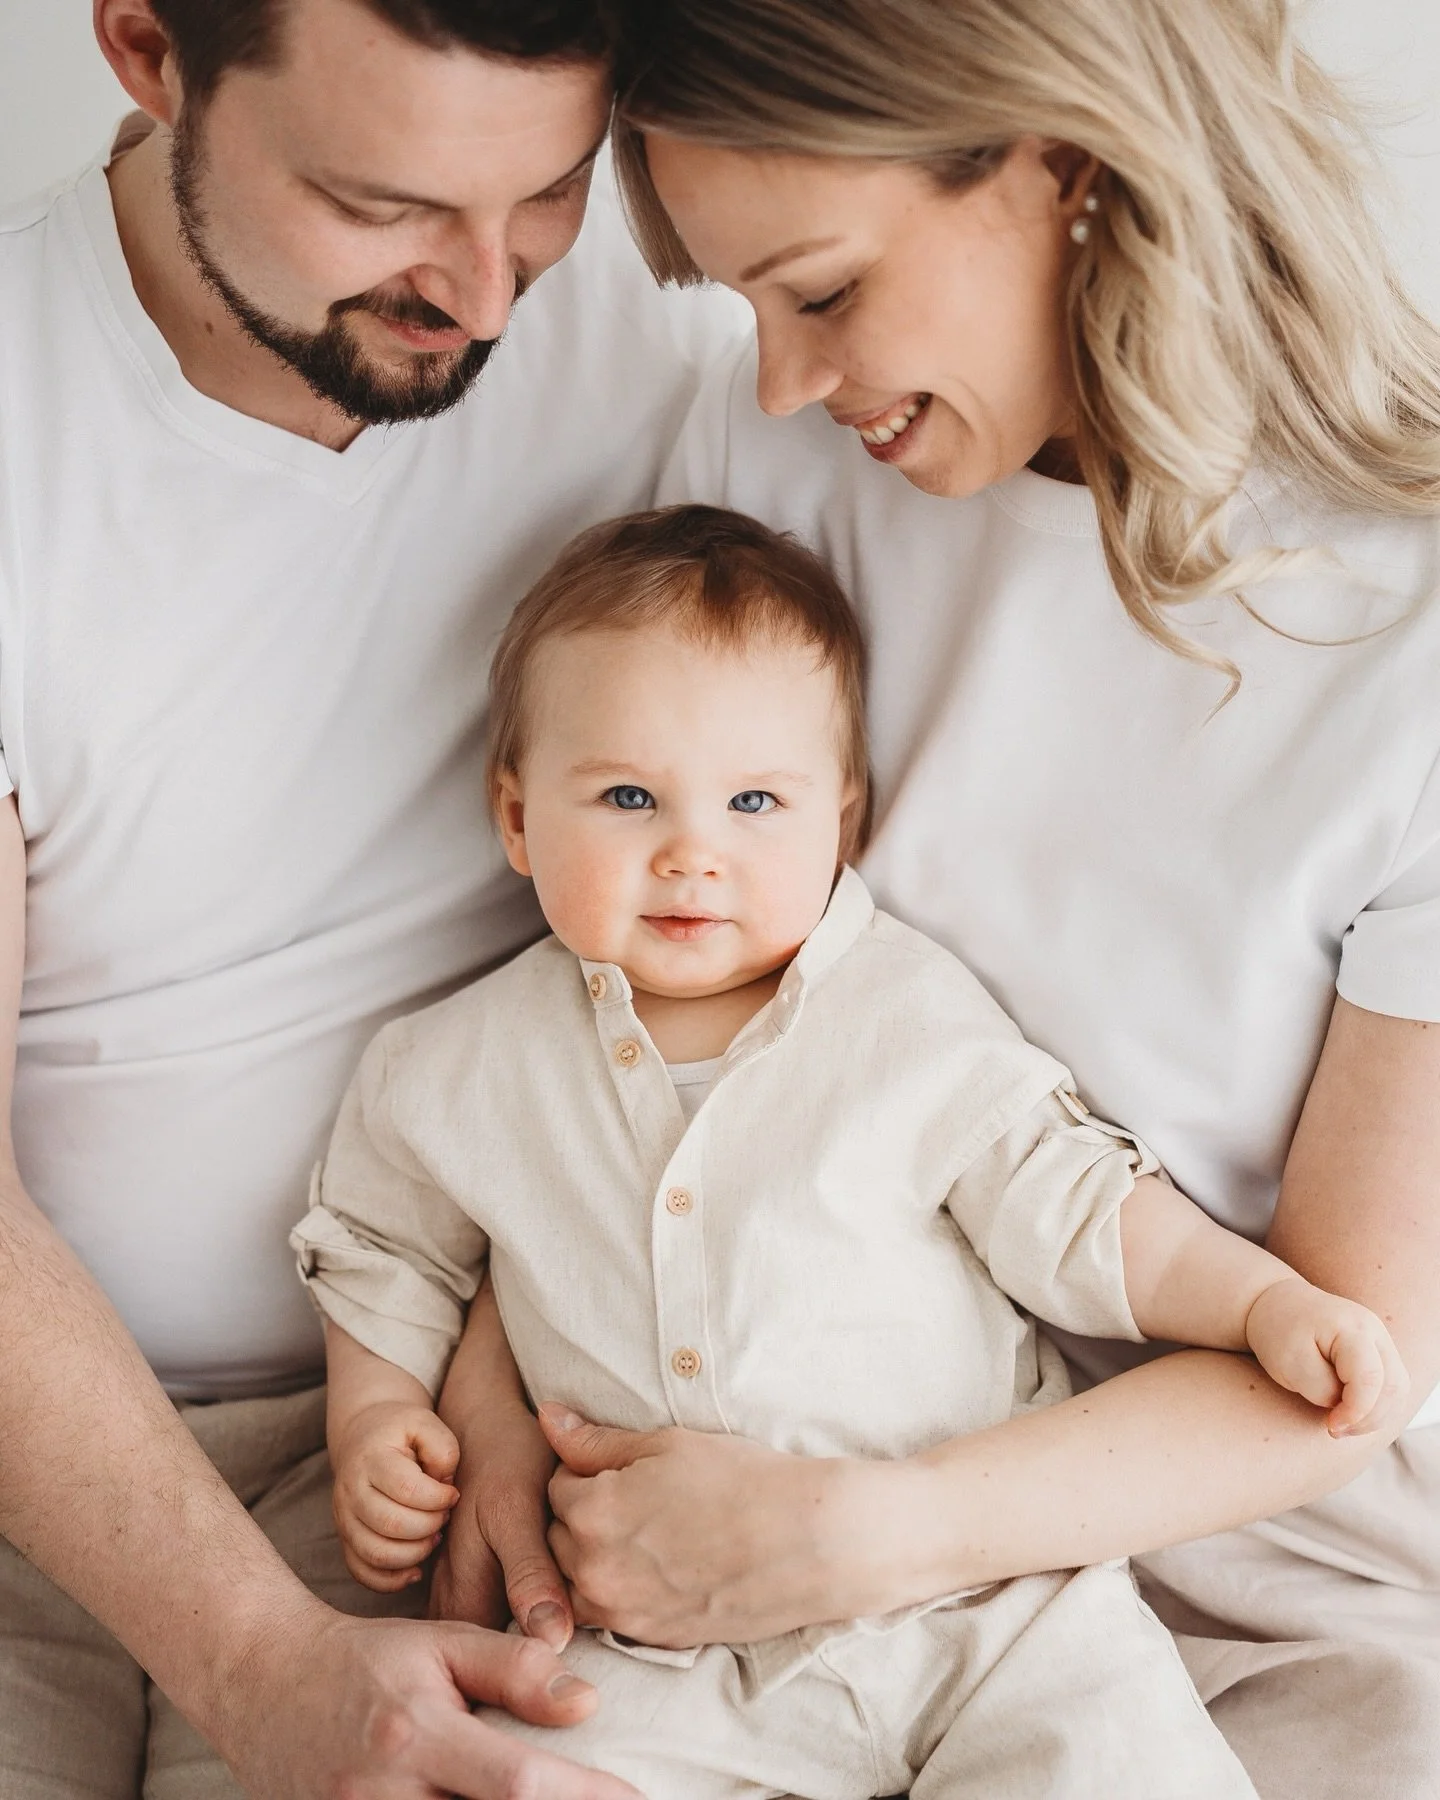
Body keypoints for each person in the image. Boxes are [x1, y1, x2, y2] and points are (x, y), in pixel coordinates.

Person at [426, 5, 1440, 1799]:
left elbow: (1347, 1359)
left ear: (1067, 166)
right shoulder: (786, 503)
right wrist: (493, 1416)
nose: (784, 382)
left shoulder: (1406, 639)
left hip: (1259, 1575)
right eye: (746, 308)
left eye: (819, 292)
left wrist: (867, 1538)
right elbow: (618, 1059)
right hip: (740, 1491)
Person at [294, 501, 1403, 1799]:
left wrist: (1263, 1299)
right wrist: (373, 1412)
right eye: (628, 796)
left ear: (846, 824)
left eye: (757, 800)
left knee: (1114, 1763)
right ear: (519, 817)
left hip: (985, 1613)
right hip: (646, 1632)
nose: (693, 852)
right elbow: (381, 1249)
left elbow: (1078, 1201)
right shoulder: (451, 1066)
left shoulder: (909, 1016)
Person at [0, 0, 746, 1794]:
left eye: (549, 192)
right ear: (148, 52)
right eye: (377, 200)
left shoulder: (681, 321)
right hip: (60, 1448)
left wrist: (490, 1351)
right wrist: (263, 1667)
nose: (486, 297)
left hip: (503, 1394)